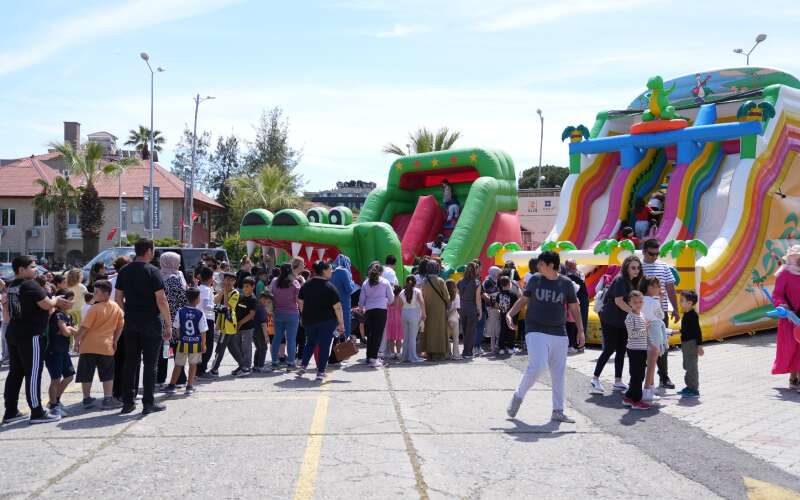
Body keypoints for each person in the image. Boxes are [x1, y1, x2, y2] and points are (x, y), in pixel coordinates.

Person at [505, 251, 584, 422]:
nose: (538, 266)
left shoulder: (566, 283)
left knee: (558, 373)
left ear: (551, 265)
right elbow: (523, 300)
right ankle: (518, 395)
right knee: (538, 366)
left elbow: (574, 308)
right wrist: (510, 314)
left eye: (541, 264)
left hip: (559, 332)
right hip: (535, 329)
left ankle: (558, 410)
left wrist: (581, 330)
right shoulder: (535, 279)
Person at [3, 255, 73, 424]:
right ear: (21, 269)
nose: (36, 269)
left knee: (15, 373)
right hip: (30, 335)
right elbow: (46, 304)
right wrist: (56, 300)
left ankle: (11, 411)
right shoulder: (30, 284)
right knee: (33, 373)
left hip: (14, 332)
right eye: (32, 267)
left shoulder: (12, 285)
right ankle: (37, 412)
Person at [115, 239, 174, 415]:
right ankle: (148, 402)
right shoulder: (153, 271)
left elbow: (118, 298)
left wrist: (127, 313)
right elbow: (161, 300)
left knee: (130, 363)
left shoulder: (124, 271)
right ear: (148, 250)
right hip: (151, 322)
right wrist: (168, 324)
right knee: (150, 364)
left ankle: (128, 402)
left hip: (131, 322)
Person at [591, 255, 642, 394]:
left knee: (621, 350)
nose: (636, 270)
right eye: (633, 267)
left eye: (638, 267)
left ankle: (618, 381)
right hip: (611, 320)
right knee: (609, 349)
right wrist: (634, 313)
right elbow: (619, 301)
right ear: (626, 267)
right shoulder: (620, 280)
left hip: (623, 321)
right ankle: (595, 378)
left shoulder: (633, 282)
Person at [75, 280, 124, 410]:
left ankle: (87, 398)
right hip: (106, 346)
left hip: (88, 346)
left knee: (86, 373)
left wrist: (77, 341)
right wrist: (115, 341)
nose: (94, 294)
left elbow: (84, 327)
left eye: (96, 292)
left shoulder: (94, 308)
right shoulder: (116, 307)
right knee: (107, 374)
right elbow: (120, 326)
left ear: (106, 293)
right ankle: (108, 399)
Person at [297, 260, 346, 380]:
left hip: (309, 320)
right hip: (327, 321)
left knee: (310, 343)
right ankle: (320, 371)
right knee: (324, 345)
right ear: (323, 271)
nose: (331, 272)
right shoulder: (330, 287)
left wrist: (303, 315)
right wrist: (341, 323)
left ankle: (303, 366)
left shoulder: (307, 285)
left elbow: (300, 301)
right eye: (330, 270)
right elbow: (338, 307)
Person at [641, 239, 680, 389]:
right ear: (644, 252)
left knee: (662, 344)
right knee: (643, 346)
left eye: (657, 254)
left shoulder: (663, 266)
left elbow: (670, 288)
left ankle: (664, 377)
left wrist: (675, 309)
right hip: (643, 313)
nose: (655, 257)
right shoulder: (638, 267)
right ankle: (641, 377)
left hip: (660, 312)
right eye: (652, 254)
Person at [164, 287, 207, 395]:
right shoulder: (200, 313)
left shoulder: (180, 311)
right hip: (195, 343)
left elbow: (177, 328)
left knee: (178, 364)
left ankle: (172, 385)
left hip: (183, 342)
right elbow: (203, 331)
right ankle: (189, 386)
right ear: (197, 299)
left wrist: (180, 338)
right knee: (193, 364)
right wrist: (203, 344)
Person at [771, 245, 800, 389]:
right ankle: (793, 376)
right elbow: (777, 294)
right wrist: (782, 305)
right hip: (789, 318)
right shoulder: (784, 273)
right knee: (791, 348)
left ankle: (797, 378)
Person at [45, 289, 77, 417]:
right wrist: (70, 329)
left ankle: (56, 400)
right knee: (56, 379)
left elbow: (72, 331)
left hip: (63, 351)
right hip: (53, 351)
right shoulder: (57, 315)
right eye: (69, 299)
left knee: (69, 376)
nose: (72, 302)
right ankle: (53, 406)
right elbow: (66, 332)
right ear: (62, 301)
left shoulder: (67, 315)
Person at [158, 252, 187, 386]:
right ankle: (180, 378)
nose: (179, 264)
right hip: (175, 320)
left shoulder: (158, 276)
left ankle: (160, 378)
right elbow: (183, 299)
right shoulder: (175, 279)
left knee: (163, 349)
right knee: (176, 349)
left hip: (161, 318)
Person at [210, 273, 246, 377]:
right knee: (232, 347)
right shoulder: (223, 291)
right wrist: (222, 292)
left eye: (230, 280)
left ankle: (214, 370)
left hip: (229, 324)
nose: (228, 282)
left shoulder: (235, 293)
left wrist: (225, 292)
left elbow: (228, 306)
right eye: (226, 279)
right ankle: (243, 367)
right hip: (222, 323)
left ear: (234, 282)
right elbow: (214, 301)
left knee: (221, 347)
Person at [358, 263, 394, 367]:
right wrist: (384, 300)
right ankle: (374, 358)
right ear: (381, 272)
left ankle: (369, 357)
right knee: (378, 335)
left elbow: (361, 301)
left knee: (370, 334)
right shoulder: (385, 282)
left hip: (369, 310)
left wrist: (361, 308)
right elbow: (391, 299)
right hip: (381, 310)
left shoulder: (365, 283)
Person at [641, 277, 670, 402]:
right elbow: (661, 315)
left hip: (643, 331)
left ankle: (651, 386)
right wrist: (661, 300)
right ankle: (647, 390)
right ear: (650, 287)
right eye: (658, 286)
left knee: (648, 362)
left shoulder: (641, 299)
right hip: (653, 330)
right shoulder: (654, 301)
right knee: (652, 362)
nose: (659, 289)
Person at [622, 290, 651, 410]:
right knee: (637, 375)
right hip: (634, 350)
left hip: (642, 349)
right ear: (630, 303)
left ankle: (628, 397)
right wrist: (645, 329)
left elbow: (644, 332)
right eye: (635, 302)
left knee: (639, 374)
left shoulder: (642, 315)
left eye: (640, 302)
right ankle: (636, 401)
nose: (638, 304)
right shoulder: (630, 317)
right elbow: (632, 335)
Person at [269, 263, 301, 371]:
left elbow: (270, 294)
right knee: (291, 339)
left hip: (277, 313)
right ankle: (291, 363)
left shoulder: (274, 281)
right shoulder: (295, 283)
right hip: (292, 314)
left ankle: (274, 362)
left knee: (277, 337)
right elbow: (298, 299)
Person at [421, 261, 450, 361]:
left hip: (427, 308)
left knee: (429, 330)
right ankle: (439, 352)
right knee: (439, 329)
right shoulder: (440, 281)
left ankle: (429, 352)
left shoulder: (424, 281)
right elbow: (446, 296)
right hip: (439, 309)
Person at [678, 290, 704, 398]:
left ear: (690, 303)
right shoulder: (686, 314)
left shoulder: (693, 315)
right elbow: (687, 329)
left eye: (682, 300)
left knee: (691, 366)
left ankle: (693, 389)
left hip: (691, 344)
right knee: (687, 365)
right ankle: (688, 386)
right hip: (685, 343)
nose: (680, 302)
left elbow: (697, 331)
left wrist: (699, 345)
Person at [458, 262, 483, 358]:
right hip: (471, 306)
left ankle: (465, 350)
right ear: (475, 270)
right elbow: (478, 299)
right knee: (471, 330)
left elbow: (458, 294)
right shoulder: (476, 282)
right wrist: (480, 311)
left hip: (463, 306)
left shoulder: (460, 281)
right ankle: (468, 352)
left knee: (464, 330)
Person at [564, 259, 589, 354]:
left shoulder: (567, 275)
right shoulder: (580, 274)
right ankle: (578, 345)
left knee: (573, 323)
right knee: (579, 322)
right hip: (578, 301)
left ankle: (575, 345)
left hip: (575, 301)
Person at [196, 267, 217, 378]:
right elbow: (206, 306)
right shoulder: (207, 290)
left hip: (198, 319)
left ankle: (198, 369)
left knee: (200, 345)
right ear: (210, 278)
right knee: (207, 346)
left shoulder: (198, 288)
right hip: (206, 320)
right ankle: (201, 370)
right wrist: (217, 308)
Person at [330, 255, 357, 340]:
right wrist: (352, 282)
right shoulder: (344, 271)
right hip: (344, 303)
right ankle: (343, 347)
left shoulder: (331, 271)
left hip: (332, 303)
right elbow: (349, 290)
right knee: (344, 327)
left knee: (334, 328)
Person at [400, 276, 426, 363]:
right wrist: (424, 313)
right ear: (415, 283)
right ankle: (413, 357)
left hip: (404, 312)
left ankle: (405, 356)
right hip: (414, 312)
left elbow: (399, 305)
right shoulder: (417, 291)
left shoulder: (402, 292)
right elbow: (422, 302)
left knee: (406, 336)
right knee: (412, 336)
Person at [236, 277, 258, 374]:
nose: (245, 288)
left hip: (247, 327)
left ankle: (247, 366)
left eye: (247, 286)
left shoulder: (253, 299)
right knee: (238, 347)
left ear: (253, 287)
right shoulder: (241, 297)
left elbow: (251, 314)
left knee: (247, 347)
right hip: (238, 327)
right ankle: (241, 365)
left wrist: (240, 323)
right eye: (244, 286)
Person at [496, 276, 518, 356]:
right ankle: (510, 348)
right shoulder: (513, 294)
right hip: (512, 315)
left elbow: (497, 305)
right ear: (509, 284)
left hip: (502, 314)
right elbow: (517, 305)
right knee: (511, 331)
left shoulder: (499, 294)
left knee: (503, 331)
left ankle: (501, 348)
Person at [252, 291, 274, 372]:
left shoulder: (257, 307)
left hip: (254, 331)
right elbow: (263, 324)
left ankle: (256, 366)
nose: (268, 304)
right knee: (263, 348)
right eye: (268, 301)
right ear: (263, 299)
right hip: (260, 332)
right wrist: (266, 336)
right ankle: (261, 366)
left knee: (258, 348)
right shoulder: (262, 309)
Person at [445, 279, 460, 360]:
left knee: (447, 338)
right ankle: (456, 355)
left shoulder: (445, 296)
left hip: (446, 318)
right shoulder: (456, 296)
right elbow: (456, 308)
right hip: (454, 317)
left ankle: (447, 354)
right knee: (455, 338)